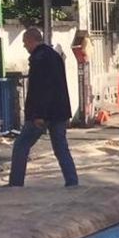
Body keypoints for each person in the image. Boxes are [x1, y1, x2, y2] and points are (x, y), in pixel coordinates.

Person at [9, 28, 78, 188]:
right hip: (59, 111)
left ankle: (16, 183)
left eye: (25, 42)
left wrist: (38, 114)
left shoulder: (39, 59)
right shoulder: (54, 55)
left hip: (42, 113)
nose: (25, 46)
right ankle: (72, 182)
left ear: (32, 40)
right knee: (61, 148)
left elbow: (41, 89)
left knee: (21, 146)